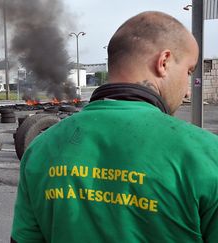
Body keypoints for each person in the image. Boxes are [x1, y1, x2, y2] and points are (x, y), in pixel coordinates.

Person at [11, 11, 218, 242]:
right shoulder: (208, 155)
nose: (188, 89)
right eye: (189, 71)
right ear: (164, 62)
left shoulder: (40, 148)